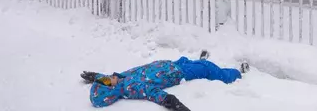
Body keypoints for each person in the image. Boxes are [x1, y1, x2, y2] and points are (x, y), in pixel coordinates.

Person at [81, 50, 249, 110]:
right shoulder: (131, 87)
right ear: (111, 90)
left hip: (172, 64)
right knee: (210, 70)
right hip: (180, 73)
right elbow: (153, 93)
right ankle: (237, 73)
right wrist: (172, 102)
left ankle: (200, 61)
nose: (110, 77)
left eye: (105, 78)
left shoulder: (119, 79)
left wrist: (95, 76)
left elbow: (105, 81)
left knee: (191, 62)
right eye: (108, 81)